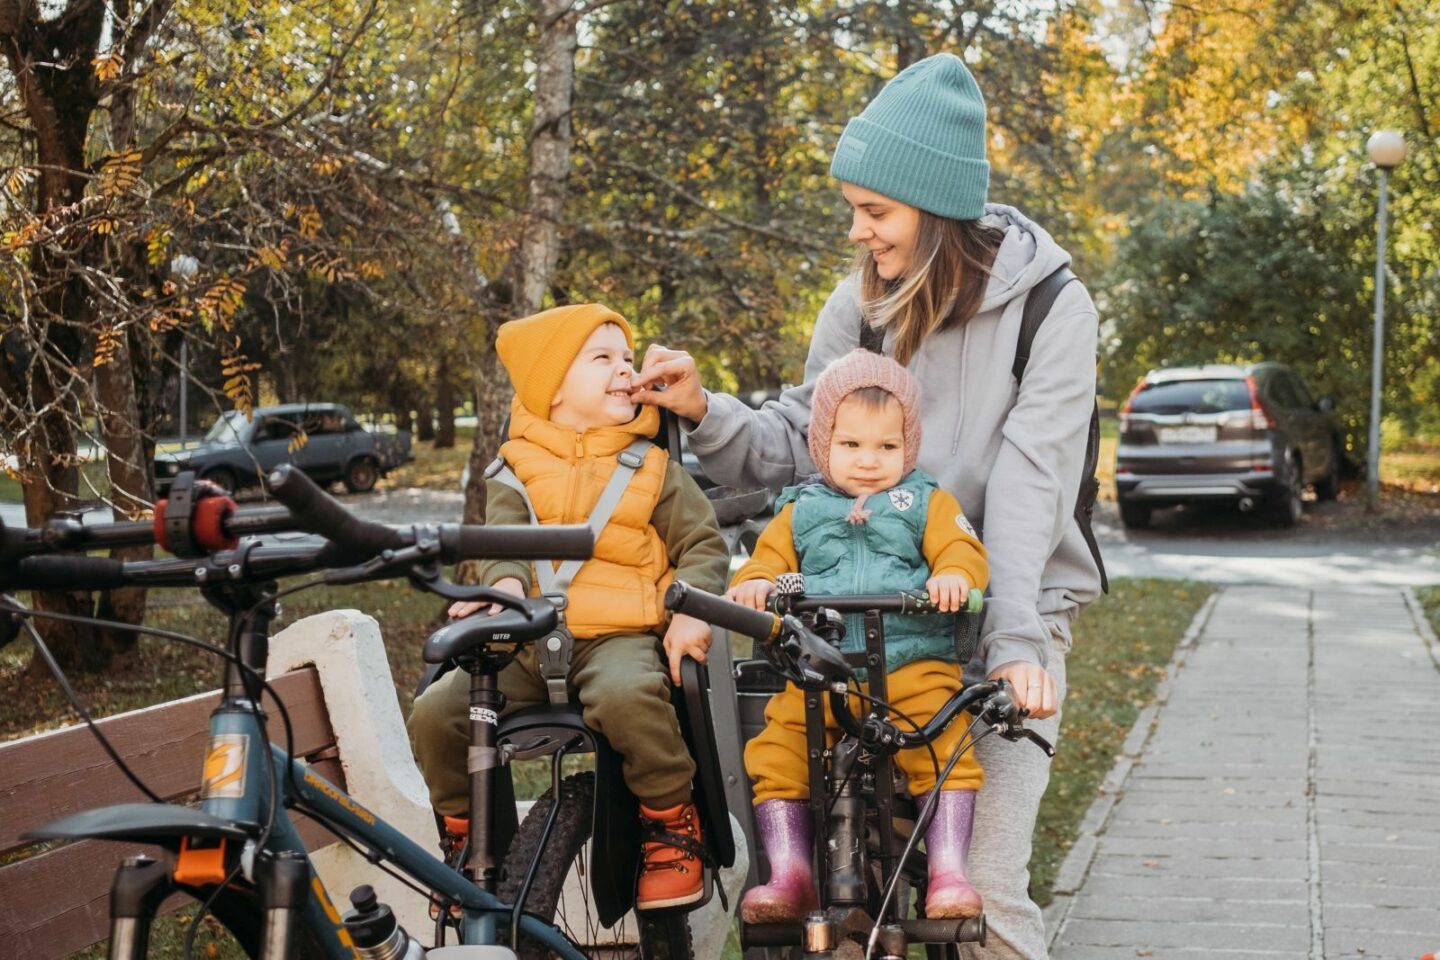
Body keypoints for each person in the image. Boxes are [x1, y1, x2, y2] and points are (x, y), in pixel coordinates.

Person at [630, 52, 1101, 959]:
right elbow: (808, 444)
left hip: (1004, 612)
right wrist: (702, 408)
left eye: (874, 212)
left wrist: (1010, 647)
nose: (858, 233)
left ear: (933, 208)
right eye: (855, 210)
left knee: (981, 896)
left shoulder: (1051, 309)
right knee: (843, 896)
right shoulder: (864, 305)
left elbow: (1029, 490)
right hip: (857, 620)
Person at [406, 303, 730, 912]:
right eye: (602, 358)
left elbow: (703, 545)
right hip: (528, 638)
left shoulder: (652, 468)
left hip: (618, 634)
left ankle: (668, 822)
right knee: (436, 711)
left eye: (627, 358)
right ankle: (467, 841)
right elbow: (500, 546)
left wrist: (691, 609)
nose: (623, 369)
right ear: (551, 391)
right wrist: (497, 591)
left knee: (628, 696)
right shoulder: (514, 469)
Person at [728, 348, 991, 923]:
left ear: (910, 446)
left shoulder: (926, 502)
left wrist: (953, 575)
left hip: (913, 662)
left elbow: (963, 550)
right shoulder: (800, 510)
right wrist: (754, 584)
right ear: (823, 442)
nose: (869, 462)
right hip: (820, 670)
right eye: (850, 446)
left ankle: (948, 870)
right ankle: (790, 874)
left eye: (887, 447)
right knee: (776, 751)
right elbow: (763, 562)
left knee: (945, 745)